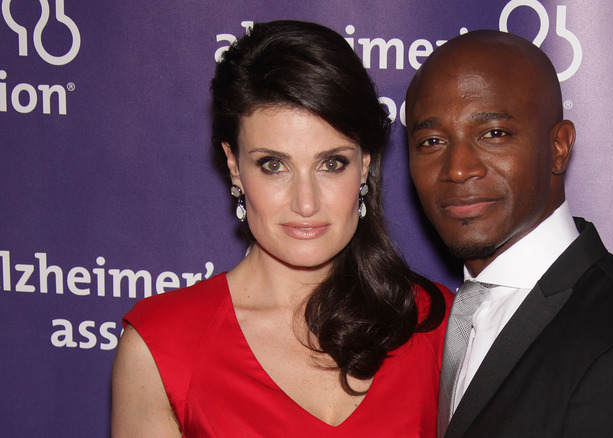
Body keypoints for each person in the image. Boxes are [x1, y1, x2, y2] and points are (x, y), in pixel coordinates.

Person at [111, 20, 449, 437]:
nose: (305, 203)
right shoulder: (165, 346)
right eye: (274, 165)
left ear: (364, 164)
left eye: (331, 163)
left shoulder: (435, 325)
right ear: (234, 166)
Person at [405, 30, 613, 438]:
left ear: (558, 148)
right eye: (431, 141)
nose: (458, 168)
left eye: (494, 134)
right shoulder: (438, 322)